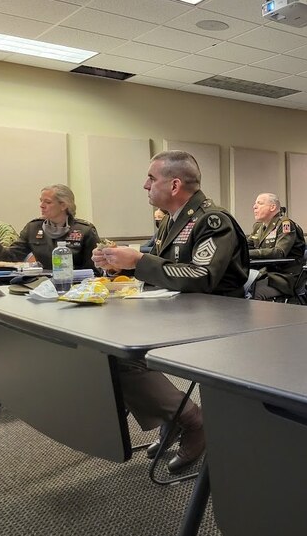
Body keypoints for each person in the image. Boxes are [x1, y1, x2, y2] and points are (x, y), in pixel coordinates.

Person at [92, 151, 249, 472]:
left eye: (151, 178)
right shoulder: (171, 221)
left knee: (122, 358)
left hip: (216, 320)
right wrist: (117, 265)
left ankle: (193, 422)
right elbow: (162, 268)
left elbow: (201, 277)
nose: (144, 185)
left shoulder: (213, 221)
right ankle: (175, 416)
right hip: (177, 314)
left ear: (175, 184)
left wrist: (137, 262)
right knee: (106, 351)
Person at [0, 185, 99, 269]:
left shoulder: (85, 231)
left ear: (63, 205)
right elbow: (11, 257)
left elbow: (95, 268)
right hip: (42, 285)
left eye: (48, 202)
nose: (41, 205)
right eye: (41, 201)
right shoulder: (33, 228)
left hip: (76, 286)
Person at [247, 193, 306, 299]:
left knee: (252, 292)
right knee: (237, 286)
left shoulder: (285, 224)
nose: (254, 206)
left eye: (259, 203)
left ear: (272, 207)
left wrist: (247, 253)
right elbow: (246, 245)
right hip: (265, 273)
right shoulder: (258, 227)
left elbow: (279, 252)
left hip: (284, 277)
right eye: (255, 203)